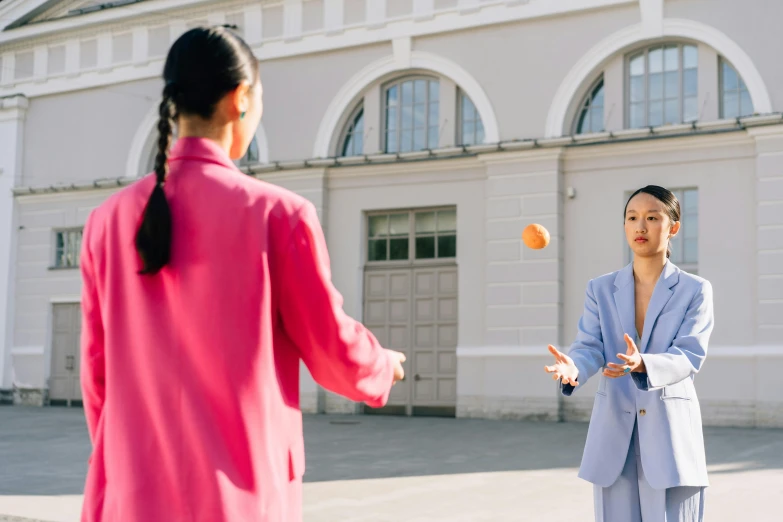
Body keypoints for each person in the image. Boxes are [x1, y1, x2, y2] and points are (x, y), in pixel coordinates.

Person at [79, 26, 406, 522]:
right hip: (240, 498)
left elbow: (96, 376)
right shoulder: (278, 214)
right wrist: (384, 364)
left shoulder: (106, 221)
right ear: (241, 98)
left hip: (131, 496)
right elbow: (331, 349)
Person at [544, 185, 713, 522]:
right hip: (613, 441)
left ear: (673, 227)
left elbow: (689, 354)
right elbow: (590, 345)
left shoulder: (696, 290)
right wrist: (574, 367)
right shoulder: (600, 289)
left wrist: (643, 364)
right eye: (632, 218)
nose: (640, 226)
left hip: (671, 439)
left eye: (652, 218)